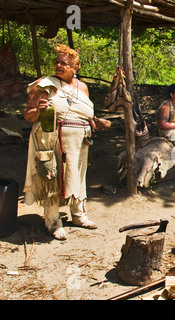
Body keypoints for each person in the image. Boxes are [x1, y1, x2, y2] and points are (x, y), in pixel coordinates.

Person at [23, 44, 106, 240]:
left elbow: (84, 114)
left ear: (76, 67)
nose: (59, 65)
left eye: (65, 63)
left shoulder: (83, 88)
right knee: (52, 178)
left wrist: (95, 122)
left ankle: (78, 215)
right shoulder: (46, 85)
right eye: (57, 62)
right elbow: (28, 115)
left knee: (78, 176)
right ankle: (53, 221)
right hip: (53, 140)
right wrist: (37, 110)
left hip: (80, 142)